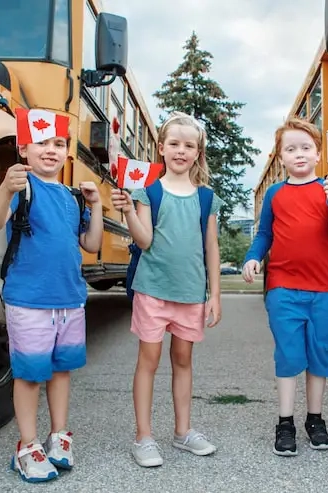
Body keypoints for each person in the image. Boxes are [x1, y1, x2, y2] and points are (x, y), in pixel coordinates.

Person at [0, 129, 104, 482]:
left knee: (61, 370)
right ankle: (27, 446)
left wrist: (94, 205)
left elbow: (92, 243)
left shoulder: (70, 197)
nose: (51, 150)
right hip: (30, 301)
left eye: (59, 144)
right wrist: (6, 187)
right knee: (31, 375)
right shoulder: (23, 188)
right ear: (24, 148)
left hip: (70, 300)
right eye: (42, 143)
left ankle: (59, 436)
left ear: (67, 152)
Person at [111, 111, 223, 468]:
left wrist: (215, 295)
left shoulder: (206, 197)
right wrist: (129, 210)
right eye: (174, 143)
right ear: (161, 148)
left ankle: (183, 431)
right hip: (152, 291)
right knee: (149, 361)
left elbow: (211, 248)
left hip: (191, 294)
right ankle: (143, 437)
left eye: (189, 145)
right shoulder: (148, 192)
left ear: (197, 152)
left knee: (183, 361)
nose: (181, 150)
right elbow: (143, 241)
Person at [241, 117, 328, 457]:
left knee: (320, 356)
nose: (299, 154)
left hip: (322, 289)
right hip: (283, 288)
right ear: (281, 157)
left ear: (318, 154)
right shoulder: (276, 194)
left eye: (306, 147)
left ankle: (315, 419)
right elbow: (264, 234)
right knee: (290, 355)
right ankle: (285, 422)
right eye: (291, 149)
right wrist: (252, 257)